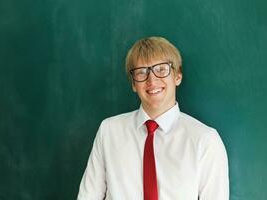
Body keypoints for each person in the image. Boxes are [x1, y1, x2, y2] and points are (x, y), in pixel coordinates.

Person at [77, 36, 229, 200]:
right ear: (134, 84)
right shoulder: (109, 131)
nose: (152, 80)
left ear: (177, 76)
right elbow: (88, 196)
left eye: (162, 69)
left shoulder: (205, 140)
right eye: (142, 72)